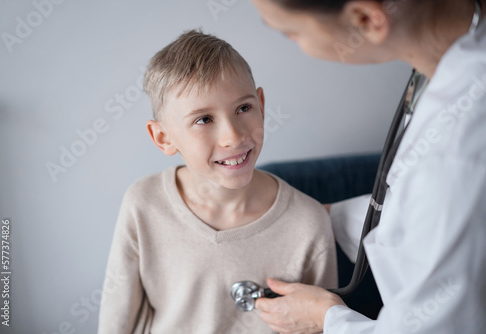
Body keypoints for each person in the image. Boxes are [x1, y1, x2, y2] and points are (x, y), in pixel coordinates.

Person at [250, 0, 486, 333]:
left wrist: (327, 319)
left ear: (366, 19)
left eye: (290, 33)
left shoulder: (457, 150)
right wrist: (322, 216)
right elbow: (432, 216)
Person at [97, 30, 338, 334]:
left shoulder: (309, 223)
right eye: (204, 119)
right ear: (163, 137)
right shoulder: (143, 203)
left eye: (243, 108)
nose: (233, 136)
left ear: (261, 106)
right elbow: (117, 319)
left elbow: (320, 324)